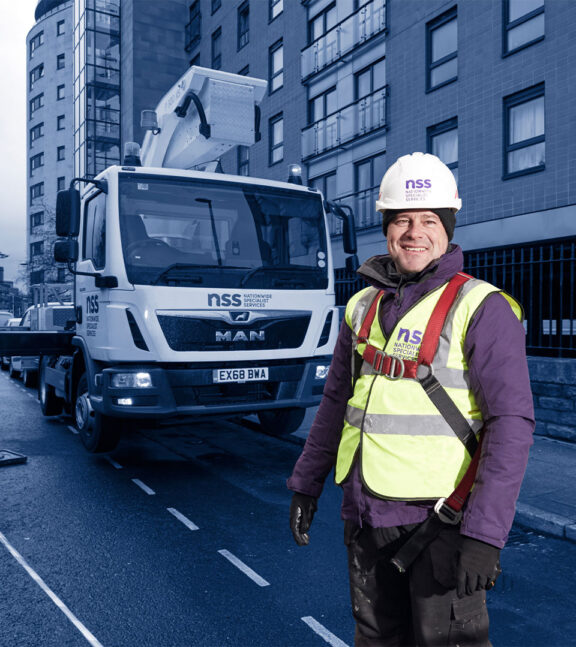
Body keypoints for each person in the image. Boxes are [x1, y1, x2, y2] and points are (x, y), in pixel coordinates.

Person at [287, 152, 534, 647]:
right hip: (364, 513)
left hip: (439, 522)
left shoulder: (481, 307)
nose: (414, 231)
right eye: (401, 219)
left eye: (428, 220)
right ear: (386, 228)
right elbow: (336, 401)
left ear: (447, 228)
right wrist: (306, 482)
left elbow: (512, 423)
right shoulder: (361, 306)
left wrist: (485, 535)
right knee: (375, 639)